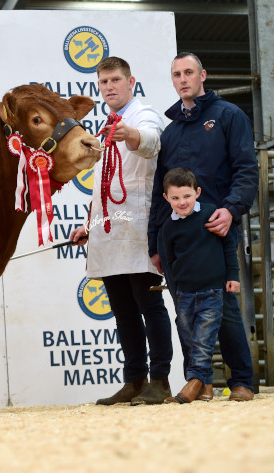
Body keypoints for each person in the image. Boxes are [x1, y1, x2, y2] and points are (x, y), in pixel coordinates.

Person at [147, 52, 259, 402]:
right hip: (177, 237)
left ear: (203, 76)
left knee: (224, 309)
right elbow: (158, 190)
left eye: (189, 72)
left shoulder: (229, 116)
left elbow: (246, 169)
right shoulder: (172, 130)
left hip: (216, 228)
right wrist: (155, 242)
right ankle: (201, 383)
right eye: (177, 74)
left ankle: (241, 380)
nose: (183, 79)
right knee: (184, 313)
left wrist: (230, 210)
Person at [70, 56, 173, 406]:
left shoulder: (141, 115)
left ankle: (160, 380)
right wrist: (88, 225)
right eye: (103, 82)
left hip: (137, 227)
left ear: (131, 82)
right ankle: (134, 380)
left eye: (115, 80)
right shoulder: (107, 122)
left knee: (150, 304)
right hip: (109, 230)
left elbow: (152, 141)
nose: (110, 87)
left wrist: (130, 134)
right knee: (123, 311)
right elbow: (102, 184)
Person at [160, 168, 240, 403]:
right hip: (185, 293)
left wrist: (232, 276)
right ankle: (205, 387)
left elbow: (228, 246)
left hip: (213, 291)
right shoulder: (168, 227)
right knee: (190, 339)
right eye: (175, 198)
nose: (181, 202)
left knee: (203, 339)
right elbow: (171, 260)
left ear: (198, 192)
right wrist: (177, 288)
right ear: (166, 198)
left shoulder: (210, 213)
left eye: (187, 196)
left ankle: (191, 383)